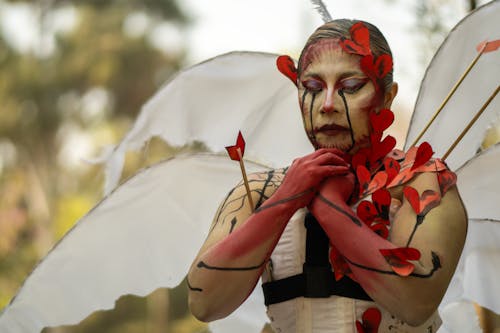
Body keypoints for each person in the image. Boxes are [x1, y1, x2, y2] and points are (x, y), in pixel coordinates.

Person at [187, 19, 467, 332]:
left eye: (350, 87)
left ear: (388, 97)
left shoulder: (422, 181)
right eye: (312, 88)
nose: (328, 104)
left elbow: (415, 301)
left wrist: (327, 204)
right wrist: (286, 198)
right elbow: (204, 302)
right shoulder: (259, 191)